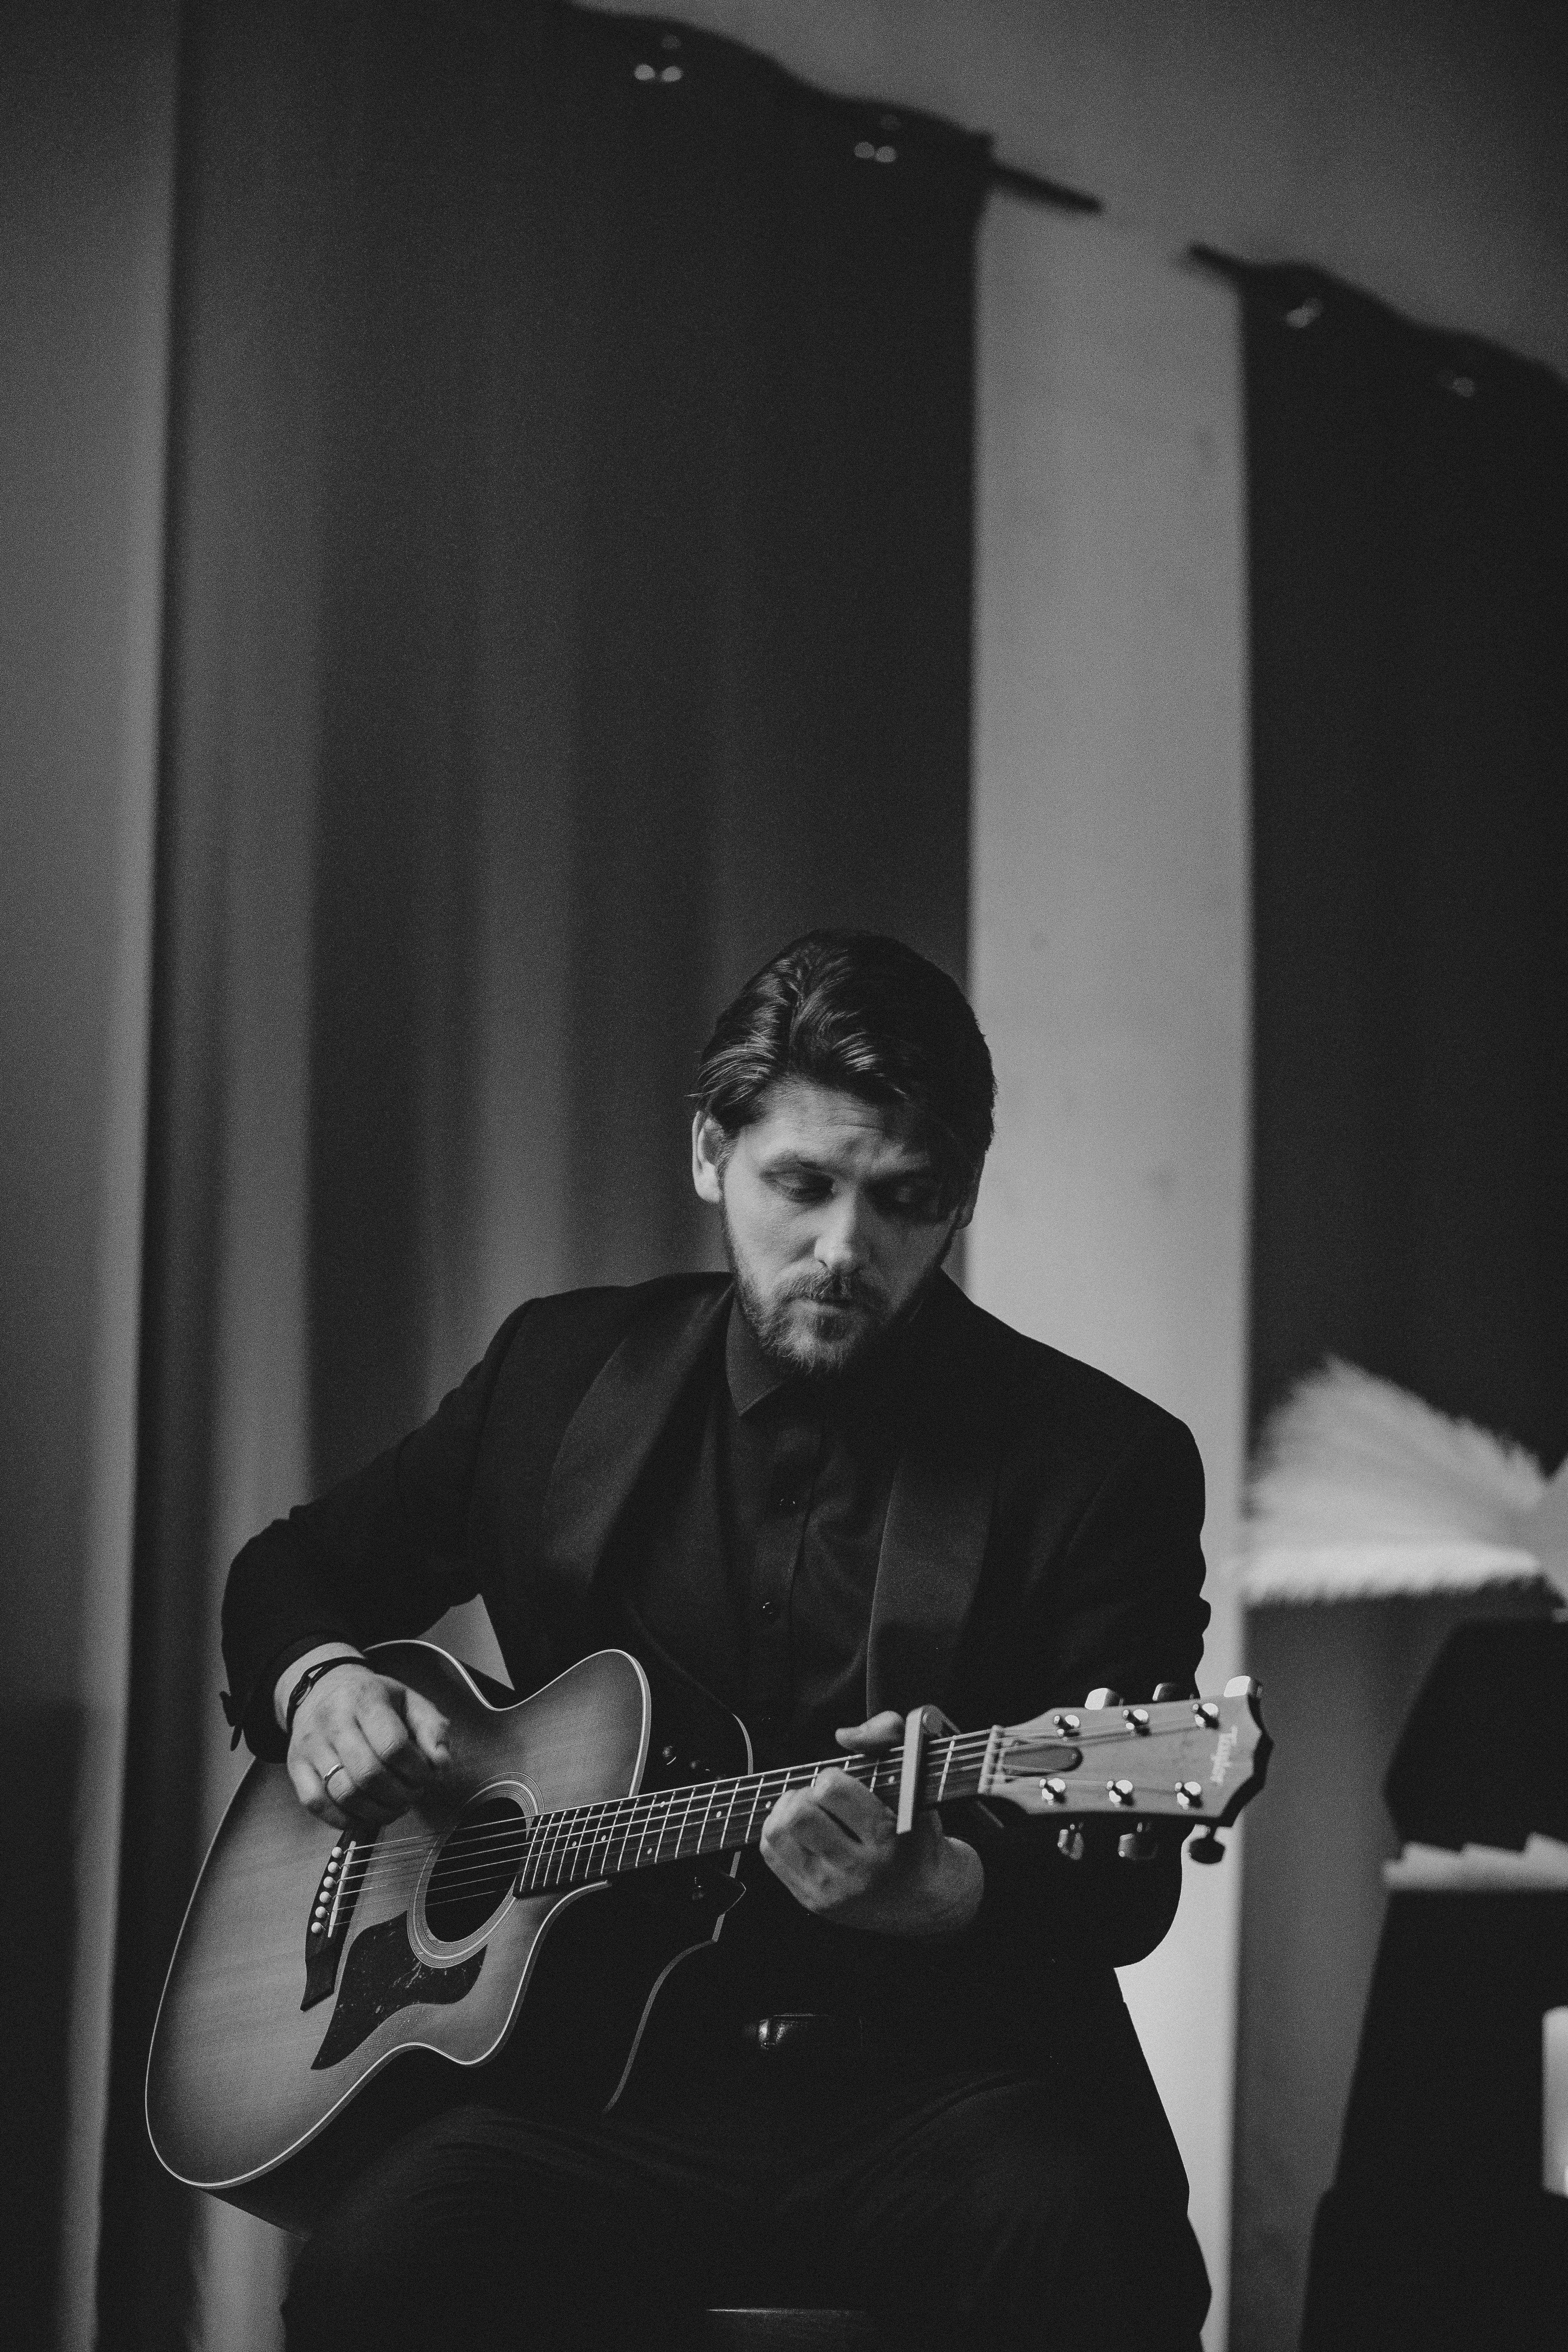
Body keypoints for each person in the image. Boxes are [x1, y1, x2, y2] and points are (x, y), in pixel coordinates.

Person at [222, 930, 1213, 2350]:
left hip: (940, 2093)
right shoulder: (556, 1378)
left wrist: (941, 1883)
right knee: (379, 2269)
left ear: (961, 1202)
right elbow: (292, 1571)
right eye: (800, 1184)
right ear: (709, 1152)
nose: (844, 1249)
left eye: (904, 1202)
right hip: (592, 2098)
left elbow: (1127, 1888)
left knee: (1080, 2247)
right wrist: (317, 1683)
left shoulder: (1097, 1463)